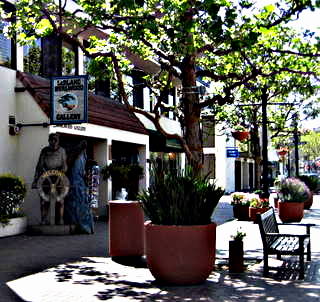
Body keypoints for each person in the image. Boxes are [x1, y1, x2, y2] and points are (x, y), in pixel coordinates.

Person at [32, 133, 68, 225]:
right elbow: (39, 165)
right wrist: (36, 179)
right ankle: (43, 220)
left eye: (55, 140)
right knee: (44, 200)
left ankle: (60, 220)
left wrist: (61, 173)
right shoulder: (45, 150)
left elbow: (65, 165)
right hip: (45, 178)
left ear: (58, 141)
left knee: (60, 200)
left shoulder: (62, 151)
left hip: (59, 177)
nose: (53, 142)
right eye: (51, 140)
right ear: (49, 141)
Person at [64, 140, 94, 234]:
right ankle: (84, 227)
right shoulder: (81, 156)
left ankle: (78, 226)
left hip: (75, 185)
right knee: (81, 206)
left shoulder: (76, 156)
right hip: (78, 185)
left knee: (75, 206)